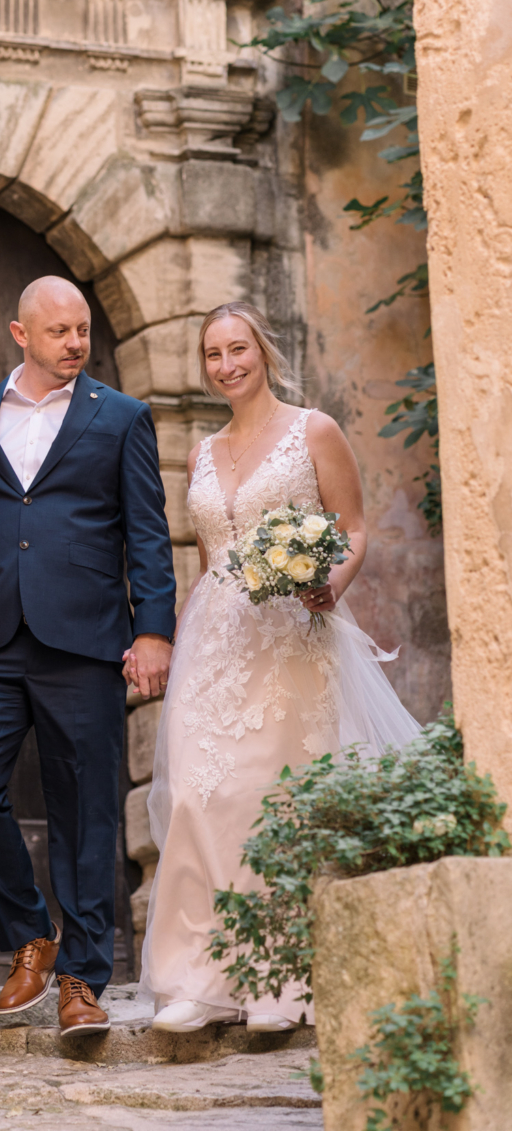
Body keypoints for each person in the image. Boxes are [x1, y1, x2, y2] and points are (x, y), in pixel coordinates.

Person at [141, 302, 421, 1033]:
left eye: (238, 349)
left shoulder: (313, 430)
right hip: (213, 645)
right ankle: (199, 980)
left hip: (291, 638)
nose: (227, 365)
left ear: (263, 352)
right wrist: (179, 640)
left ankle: (284, 981)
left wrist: (329, 585)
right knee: (197, 801)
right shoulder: (201, 452)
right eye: (212, 355)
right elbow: (205, 562)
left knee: (271, 803)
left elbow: (353, 529)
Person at [0, 275, 176, 1038]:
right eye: (60, 332)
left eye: (83, 331)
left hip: (84, 639)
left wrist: (153, 630)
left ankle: (82, 982)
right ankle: (32, 937)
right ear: (21, 335)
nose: (76, 343)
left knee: (86, 813)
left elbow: (147, 531)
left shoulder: (123, 418)